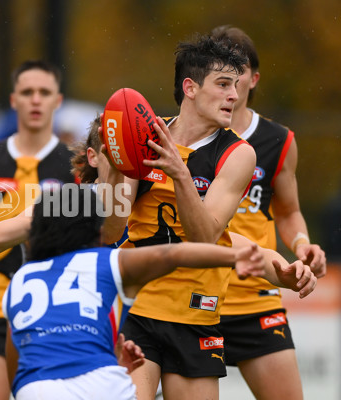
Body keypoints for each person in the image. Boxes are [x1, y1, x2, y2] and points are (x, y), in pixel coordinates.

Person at [0, 185, 314, 399]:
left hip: (190, 322)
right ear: (96, 157)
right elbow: (175, 253)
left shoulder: (27, 270)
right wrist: (237, 256)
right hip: (126, 346)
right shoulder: (80, 212)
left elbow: (16, 350)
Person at [98, 34, 258, 400]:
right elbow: (109, 232)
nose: (234, 95)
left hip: (196, 314)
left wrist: (179, 173)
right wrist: (113, 170)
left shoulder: (238, 154)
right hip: (137, 309)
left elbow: (205, 238)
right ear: (190, 87)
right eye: (222, 85)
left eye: (235, 85)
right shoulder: (146, 139)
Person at [210, 25, 327, 400]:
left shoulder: (278, 140)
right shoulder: (187, 133)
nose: (230, 79)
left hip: (255, 298)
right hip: (196, 294)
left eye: (238, 69)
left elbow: (289, 210)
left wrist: (302, 243)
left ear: (254, 78)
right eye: (220, 68)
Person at [0, 59, 76, 400]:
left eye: (44, 92)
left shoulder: (76, 164)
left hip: (55, 309)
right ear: (14, 101)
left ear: (58, 100)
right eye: (27, 92)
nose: (35, 100)